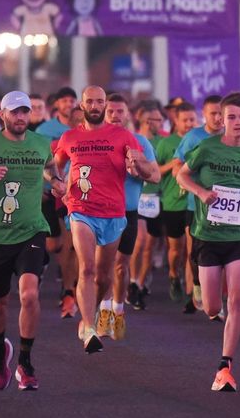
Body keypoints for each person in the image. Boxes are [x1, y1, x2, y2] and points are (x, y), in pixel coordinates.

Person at [0, 90, 65, 389]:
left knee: (29, 295)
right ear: (2, 114)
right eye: (14, 112)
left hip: (32, 229)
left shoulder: (41, 144)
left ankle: (26, 363)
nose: (20, 117)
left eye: (25, 112)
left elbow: (50, 169)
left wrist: (56, 183)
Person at [176, 92, 240, 391]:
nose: (237, 123)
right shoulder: (206, 148)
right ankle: (208, 306)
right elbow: (182, 176)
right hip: (207, 234)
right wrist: (202, 193)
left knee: (236, 298)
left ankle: (225, 365)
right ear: (222, 119)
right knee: (210, 307)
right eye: (231, 117)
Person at [53, 86, 158, 354]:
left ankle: (90, 312)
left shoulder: (123, 136)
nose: (97, 106)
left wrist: (138, 164)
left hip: (113, 212)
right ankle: (89, 328)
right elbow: (54, 166)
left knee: (102, 277)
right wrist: (58, 185)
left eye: (101, 101)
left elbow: (151, 174)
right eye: (92, 102)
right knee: (86, 268)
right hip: (81, 210)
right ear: (82, 105)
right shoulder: (70, 137)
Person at [104, 94, 160, 339]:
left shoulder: (139, 142)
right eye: (111, 111)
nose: (116, 116)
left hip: (128, 210)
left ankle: (118, 309)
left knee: (120, 265)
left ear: (128, 114)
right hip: (100, 211)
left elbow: (155, 176)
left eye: (120, 111)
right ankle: (103, 310)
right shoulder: (95, 141)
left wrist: (138, 166)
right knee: (101, 265)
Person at [173, 95, 224, 313]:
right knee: (194, 251)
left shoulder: (232, 136)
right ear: (203, 115)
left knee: (224, 252)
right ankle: (194, 287)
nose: (218, 117)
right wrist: (191, 186)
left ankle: (217, 300)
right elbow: (177, 166)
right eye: (213, 113)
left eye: (221, 113)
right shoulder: (194, 137)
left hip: (225, 206)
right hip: (196, 205)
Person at [35, 86, 79, 317]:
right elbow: (47, 163)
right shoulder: (59, 137)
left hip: (94, 199)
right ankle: (68, 289)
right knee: (63, 245)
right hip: (63, 195)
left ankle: (72, 290)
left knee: (76, 246)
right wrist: (51, 184)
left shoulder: (100, 138)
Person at [155, 102, 197, 307]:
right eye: (185, 120)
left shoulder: (200, 141)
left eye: (192, 119)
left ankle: (190, 293)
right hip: (172, 202)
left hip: (193, 203)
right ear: (176, 121)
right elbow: (155, 172)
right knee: (176, 250)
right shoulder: (165, 143)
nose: (189, 124)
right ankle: (173, 274)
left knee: (191, 250)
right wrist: (172, 164)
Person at [129, 101, 167, 309]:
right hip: (138, 196)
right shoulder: (135, 140)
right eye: (157, 120)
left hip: (156, 198)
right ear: (145, 121)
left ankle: (141, 284)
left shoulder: (163, 141)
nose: (160, 123)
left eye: (162, 120)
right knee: (140, 240)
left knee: (149, 246)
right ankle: (133, 280)